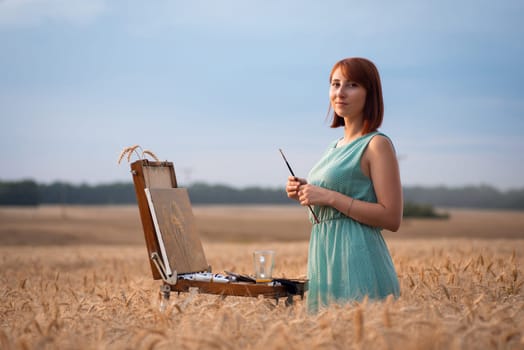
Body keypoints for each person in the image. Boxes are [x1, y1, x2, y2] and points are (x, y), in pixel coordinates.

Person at [285, 57, 401, 312]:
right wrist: (305, 192)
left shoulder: (376, 144)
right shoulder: (333, 147)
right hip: (325, 260)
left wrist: (327, 196)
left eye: (352, 85)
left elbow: (391, 218)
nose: (340, 92)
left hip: (358, 261)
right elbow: (333, 203)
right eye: (335, 84)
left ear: (370, 94)